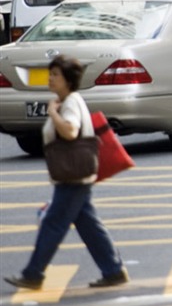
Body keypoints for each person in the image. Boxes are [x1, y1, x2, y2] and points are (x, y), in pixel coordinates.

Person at [4, 55, 129, 291]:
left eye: (55, 75)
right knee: (88, 224)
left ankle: (34, 274)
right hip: (77, 174)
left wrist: (52, 113)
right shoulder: (68, 99)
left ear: (68, 80)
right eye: (50, 74)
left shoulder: (70, 102)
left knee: (53, 224)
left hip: (73, 175)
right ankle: (113, 270)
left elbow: (71, 132)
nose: (50, 79)